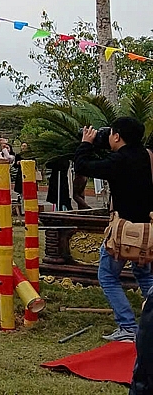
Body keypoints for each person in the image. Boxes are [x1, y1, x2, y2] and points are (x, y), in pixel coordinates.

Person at [74, 118, 153, 342]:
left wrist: (86, 143)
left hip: (124, 231)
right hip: (147, 230)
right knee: (144, 275)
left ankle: (127, 326)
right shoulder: (147, 156)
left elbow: (83, 166)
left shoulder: (118, 161)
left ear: (117, 136)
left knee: (107, 275)